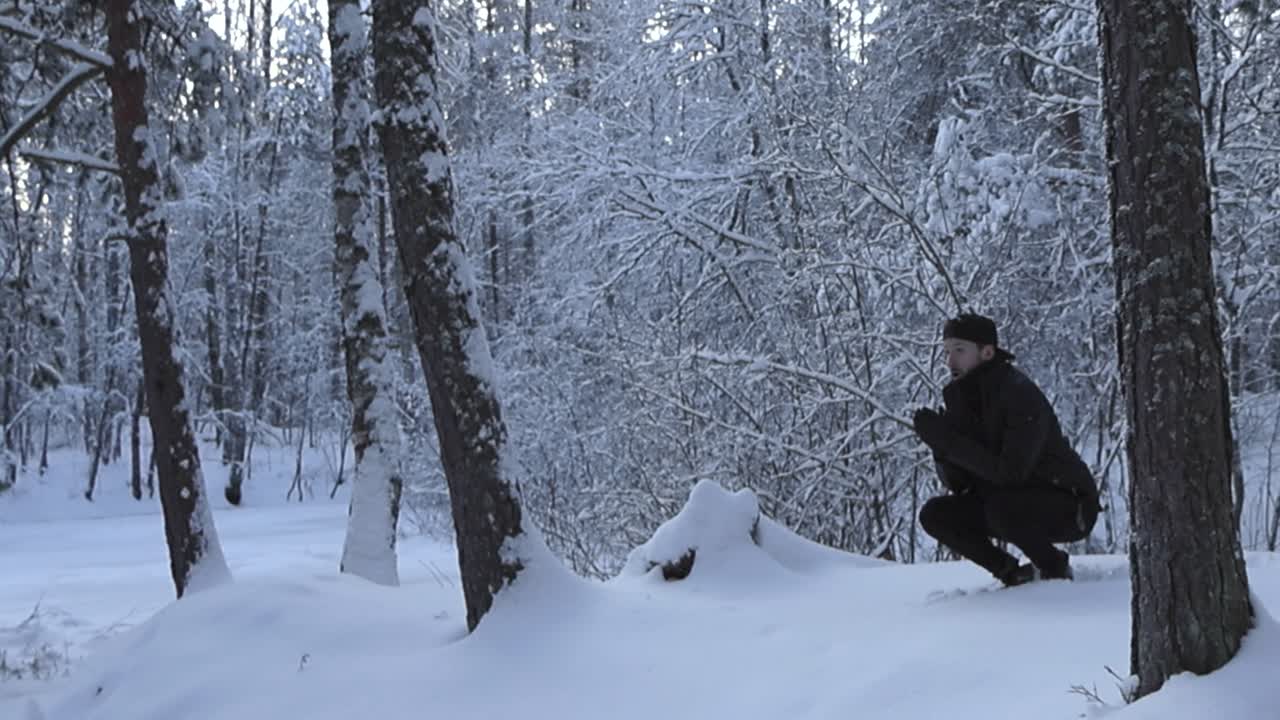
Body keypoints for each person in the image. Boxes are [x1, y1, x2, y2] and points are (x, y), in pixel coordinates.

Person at [913, 313, 1100, 586]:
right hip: (1008, 504)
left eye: (959, 351)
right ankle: (1010, 573)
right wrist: (940, 448)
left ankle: (1054, 567)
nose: (950, 362)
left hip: (1071, 505)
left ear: (987, 352)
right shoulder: (961, 397)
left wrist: (950, 443)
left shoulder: (1019, 394)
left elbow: (1012, 473)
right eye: (946, 352)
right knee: (936, 515)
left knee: (1002, 507)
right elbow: (961, 484)